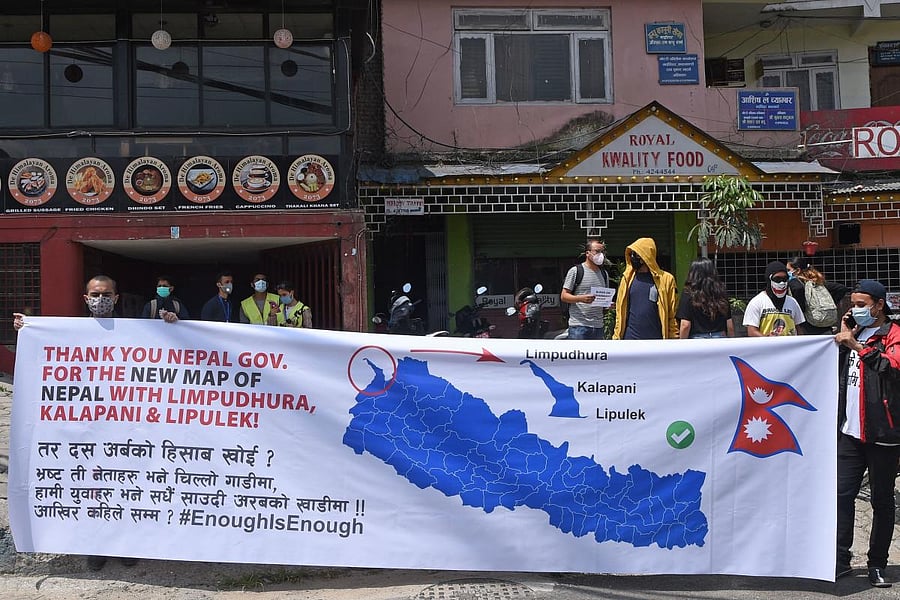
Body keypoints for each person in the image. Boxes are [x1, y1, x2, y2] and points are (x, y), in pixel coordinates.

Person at [12, 275, 160, 571]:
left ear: (116, 298)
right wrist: (27, 330)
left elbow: (167, 350)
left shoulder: (137, 331)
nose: (100, 299)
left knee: (124, 488)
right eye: (95, 294)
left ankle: (125, 544)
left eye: (106, 294)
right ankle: (96, 547)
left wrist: (171, 320)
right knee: (92, 490)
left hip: (124, 426)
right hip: (87, 429)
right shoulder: (70, 331)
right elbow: (42, 356)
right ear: (85, 298)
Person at [833, 279, 900, 587]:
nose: (855, 310)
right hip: (850, 433)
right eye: (852, 305)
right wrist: (845, 334)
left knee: (882, 501)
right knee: (841, 495)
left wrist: (856, 346)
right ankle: (839, 560)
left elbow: (891, 368)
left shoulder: (894, 335)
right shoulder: (852, 333)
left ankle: (877, 564)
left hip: (883, 433)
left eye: (861, 305)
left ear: (879, 305)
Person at [612, 237, 678, 340]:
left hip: (656, 340)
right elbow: (619, 312)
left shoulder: (666, 279)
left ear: (646, 256)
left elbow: (672, 313)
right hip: (630, 339)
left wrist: (674, 338)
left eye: (636, 254)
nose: (633, 257)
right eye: (631, 254)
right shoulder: (626, 279)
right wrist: (616, 337)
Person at [786, 256, 849, 335]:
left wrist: (802, 309)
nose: (787, 272)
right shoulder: (818, 283)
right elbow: (841, 288)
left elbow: (798, 289)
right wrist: (828, 303)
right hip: (825, 323)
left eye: (788, 270)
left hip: (808, 325)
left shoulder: (795, 282)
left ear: (797, 270)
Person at [560, 238, 609, 340]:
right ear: (587, 253)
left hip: (598, 327)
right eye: (597, 251)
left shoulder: (604, 274)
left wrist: (608, 304)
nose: (601, 255)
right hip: (579, 326)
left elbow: (603, 301)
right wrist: (580, 298)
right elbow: (564, 296)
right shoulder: (576, 271)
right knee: (577, 355)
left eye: (602, 252)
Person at [676, 258, 734, 339]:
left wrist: (682, 344)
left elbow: (685, 325)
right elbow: (729, 324)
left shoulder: (688, 294)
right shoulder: (720, 293)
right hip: (720, 338)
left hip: (697, 340)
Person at [742, 261, 805, 337]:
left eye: (785, 279)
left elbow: (799, 329)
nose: (782, 283)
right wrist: (769, 340)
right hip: (767, 348)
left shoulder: (792, 302)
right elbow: (752, 332)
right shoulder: (757, 302)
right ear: (769, 280)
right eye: (777, 279)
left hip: (790, 348)